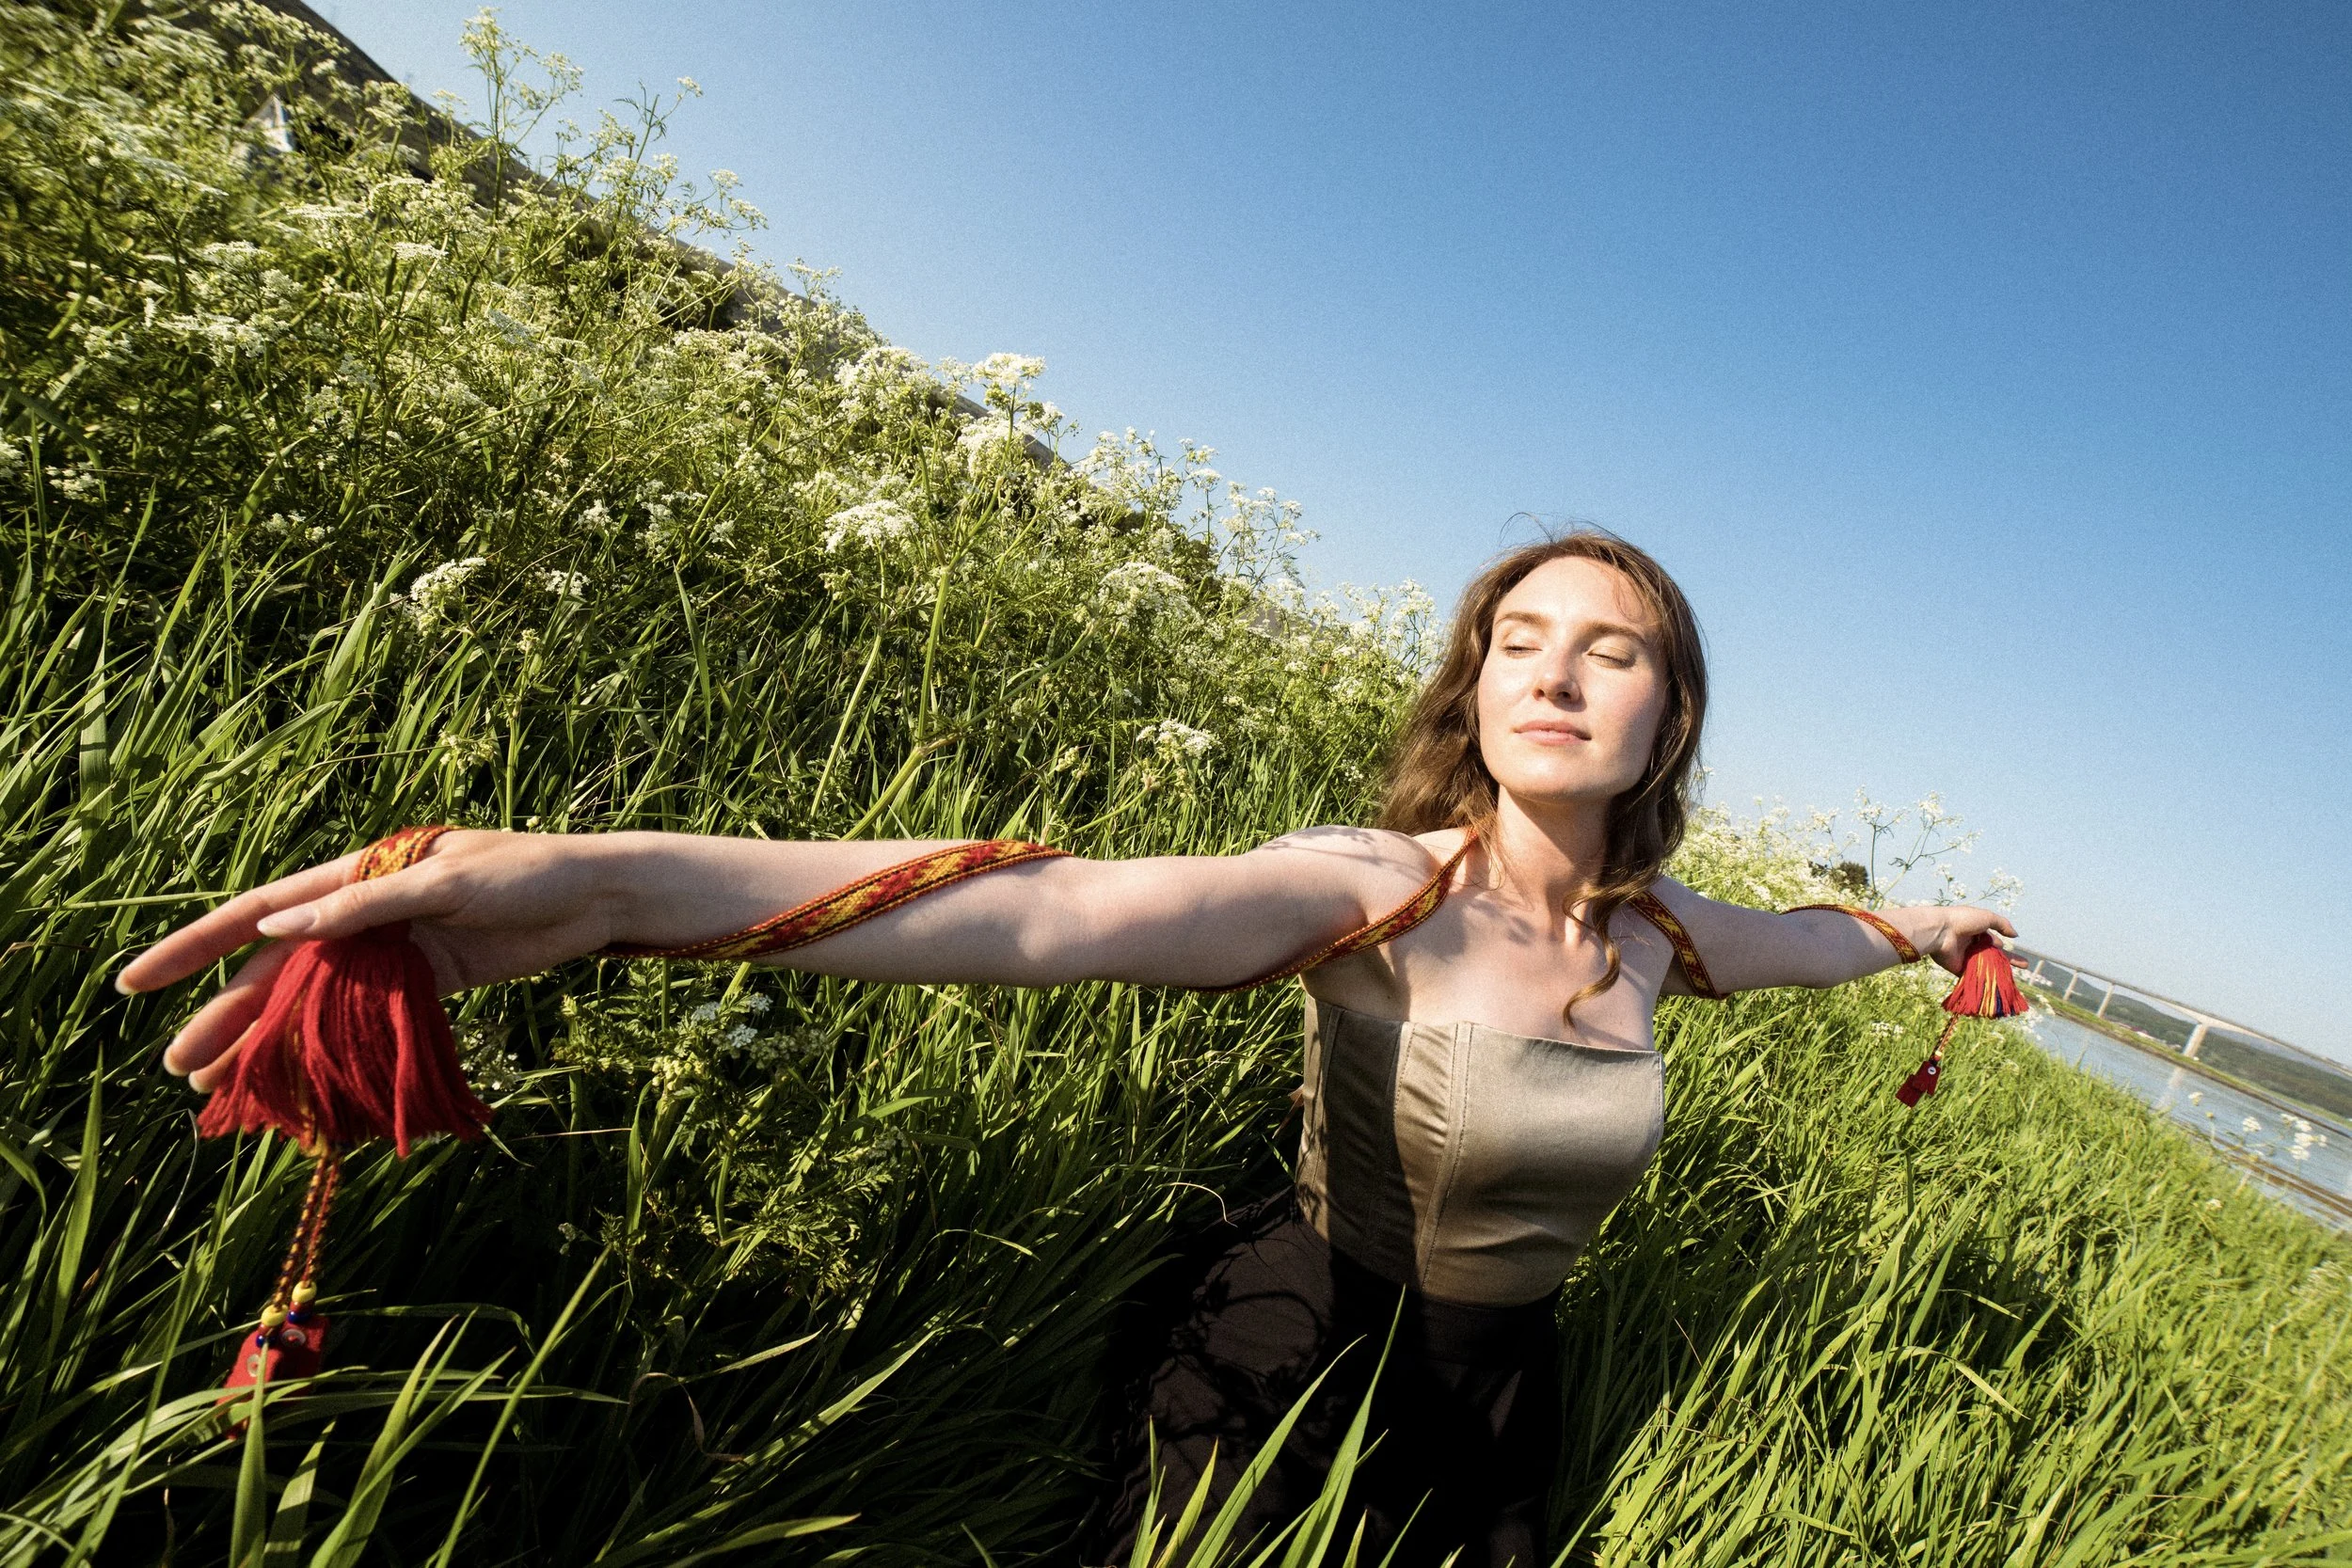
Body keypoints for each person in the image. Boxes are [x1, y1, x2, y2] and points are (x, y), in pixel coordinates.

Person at [119, 533, 2014, 1568]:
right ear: (1472, 682)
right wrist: (606, 884)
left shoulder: (1663, 937)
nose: (1549, 668)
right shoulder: (1366, 886)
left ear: (1664, 715)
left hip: (1500, 1385)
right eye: (1515, 636)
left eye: (1608, 648)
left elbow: (1820, 943)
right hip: (1291, 1340)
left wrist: (1930, 928)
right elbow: (1052, 905)